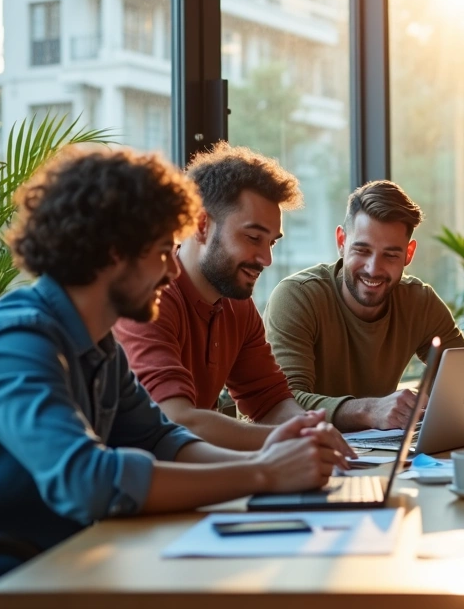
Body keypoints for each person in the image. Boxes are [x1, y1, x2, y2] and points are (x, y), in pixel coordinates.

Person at [0, 148, 352, 607]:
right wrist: (261, 473)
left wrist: (270, 460)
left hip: (62, 566)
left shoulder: (97, 346)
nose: (173, 270)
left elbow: (162, 439)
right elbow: (87, 481)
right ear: (115, 252)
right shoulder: (14, 342)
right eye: (162, 252)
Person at [113, 143, 345, 451]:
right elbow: (176, 421)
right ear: (201, 224)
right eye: (253, 238)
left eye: (271, 243)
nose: (266, 259)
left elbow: (270, 401)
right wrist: (291, 440)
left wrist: (312, 430)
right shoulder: (150, 297)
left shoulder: (238, 303)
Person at [264, 181, 464, 431]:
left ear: (408, 254)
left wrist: (426, 407)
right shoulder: (298, 297)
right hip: (294, 447)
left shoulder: (419, 302)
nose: (373, 269)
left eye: (390, 255)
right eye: (362, 250)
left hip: (374, 450)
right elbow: (282, 406)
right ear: (341, 241)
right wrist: (369, 411)